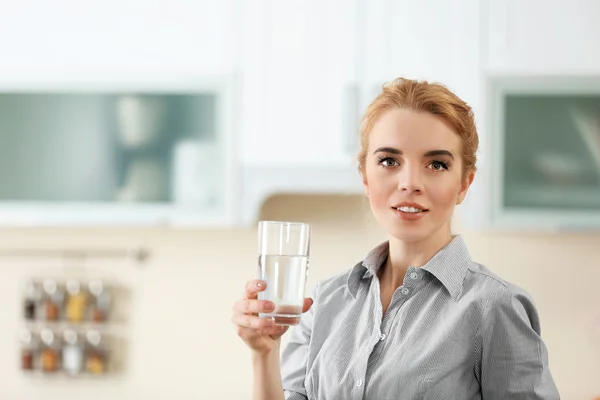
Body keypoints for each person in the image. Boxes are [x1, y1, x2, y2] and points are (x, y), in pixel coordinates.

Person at [231, 77, 560, 399]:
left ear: (464, 184)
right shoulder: (327, 302)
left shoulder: (494, 308)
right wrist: (264, 354)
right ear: (365, 176)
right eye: (389, 160)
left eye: (436, 164)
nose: (410, 183)